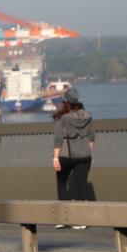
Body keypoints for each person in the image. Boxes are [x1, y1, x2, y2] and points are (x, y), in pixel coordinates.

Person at [53, 87, 95, 229]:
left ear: (65, 101)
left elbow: (58, 139)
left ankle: (66, 219)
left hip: (67, 155)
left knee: (62, 183)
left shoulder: (62, 118)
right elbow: (91, 136)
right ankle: (83, 220)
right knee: (82, 184)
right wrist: (90, 154)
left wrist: (55, 158)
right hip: (84, 154)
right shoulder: (87, 116)